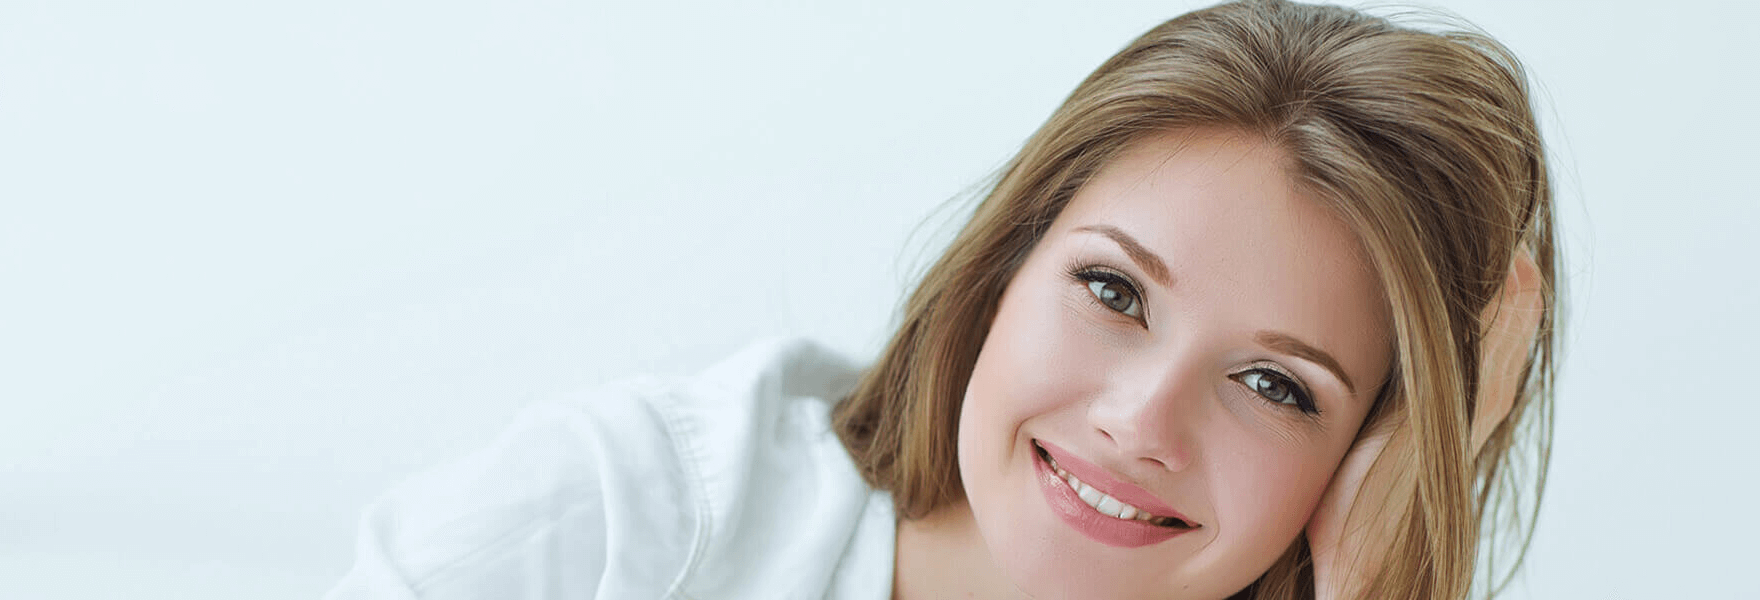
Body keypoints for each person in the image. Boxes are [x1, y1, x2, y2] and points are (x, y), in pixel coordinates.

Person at [324, 0, 1558, 598]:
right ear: (1004, 264)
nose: (1141, 420)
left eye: (1276, 386)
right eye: (1113, 290)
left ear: (1368, 459)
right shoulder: (634, 519)